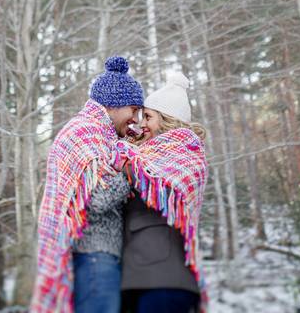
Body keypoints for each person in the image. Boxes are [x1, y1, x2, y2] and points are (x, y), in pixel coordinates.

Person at [31, 56, 143, 313]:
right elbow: (98, 199)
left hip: (96, 256)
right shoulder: (87, 134)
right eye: (133, 110)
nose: (135, 119)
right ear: (114, 104)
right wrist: (130, 170)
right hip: (95, 255)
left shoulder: (97, 134)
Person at [116, 72, 209, 313]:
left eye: (148, 117)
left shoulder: (185, 151)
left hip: (165, 278)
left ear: (167, 119)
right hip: (135, 277)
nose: (141, 124)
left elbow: (148, 175)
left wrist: (121, 153)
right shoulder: (143, 155)